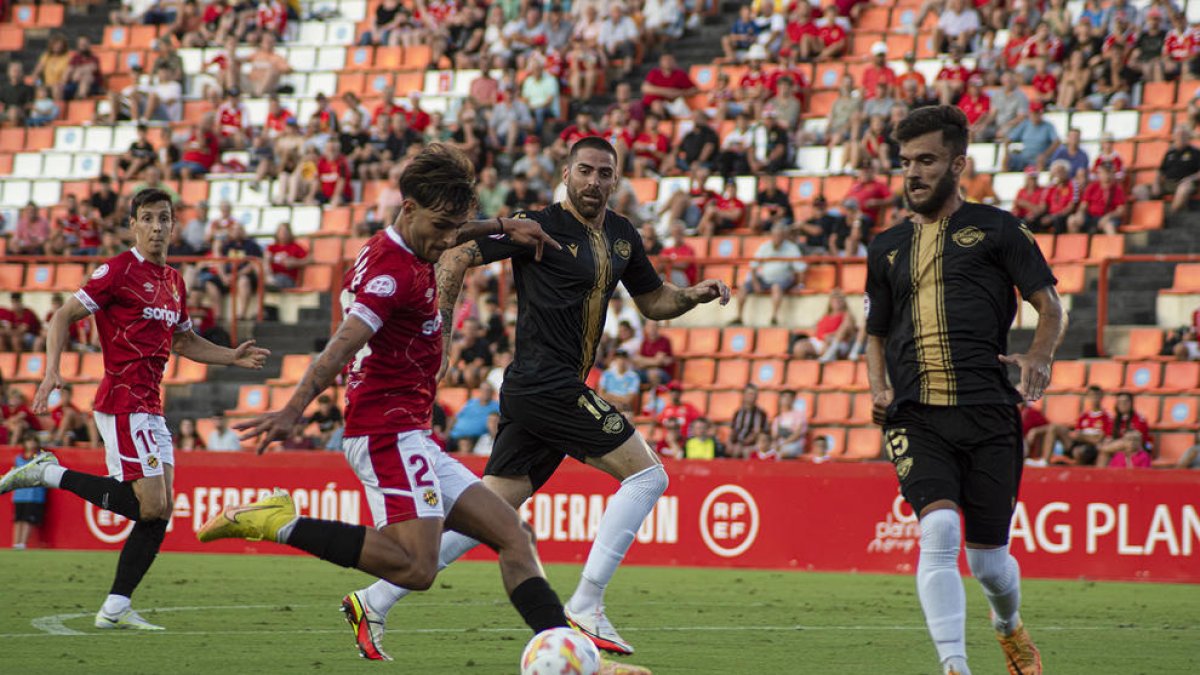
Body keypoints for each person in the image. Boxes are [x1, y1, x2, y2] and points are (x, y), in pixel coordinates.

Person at [196, 145, 648, 672]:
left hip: (412, 431)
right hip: (383, 432)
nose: (447, 239)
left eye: (454, 225)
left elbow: (454, 232)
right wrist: (294, 408)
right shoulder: (393, 274)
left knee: (514, 535)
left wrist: (501, 224)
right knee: (417, 567)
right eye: (441, 227)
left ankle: (575, 660)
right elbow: (341, 344)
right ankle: (279, 523)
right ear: (408, 209)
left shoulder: (411, 240)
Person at [422, 136, 730, 655]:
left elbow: (653, 301)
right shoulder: (535, 225)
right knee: (648, 474)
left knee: (494, 509)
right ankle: (586, 605)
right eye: (584, 170)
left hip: (540, 390)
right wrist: (442, 341)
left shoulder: (622, 235)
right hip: (549, 384)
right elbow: (453, 257)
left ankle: (376, 597)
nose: (593, 181)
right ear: (566, 174)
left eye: (604, 173)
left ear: (616, 179)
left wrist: (691, 297)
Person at [0, 188, 270, 631]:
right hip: (123, 399)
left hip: (151, 404)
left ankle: (115, 608)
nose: (158, 227)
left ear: (173, 224)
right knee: (151, 504)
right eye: (148, 218)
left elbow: (183, 342)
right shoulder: (117, 271)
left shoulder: (175, 281)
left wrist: (231, 357)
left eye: (165, 218)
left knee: (159, 512)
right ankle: (48, 472)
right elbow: (63, 316)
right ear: (133, 225)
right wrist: (51, 371)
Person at [866, 106, 1065, 675]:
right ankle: (954, 665)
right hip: (915, 416)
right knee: (940, 527)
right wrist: (878, 388)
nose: (913, 174)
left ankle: (1008, 626)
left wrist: (1039, 354)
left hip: (988, 414)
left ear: (958, 164)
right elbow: (875, 332)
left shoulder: (1000, 229)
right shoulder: (885, 247)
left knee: (991, 566)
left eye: (926, 161)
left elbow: (1050, 307)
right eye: (906, 162)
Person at [732, 222, 805, 326]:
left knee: (776, 287)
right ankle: (738, 317)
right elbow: (753, 267)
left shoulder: (791, 248)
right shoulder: (765, 247)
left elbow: (800, 269)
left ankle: (774, 318)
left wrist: (800, 285)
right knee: (743, 287)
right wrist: (755, 282)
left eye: (780, 235)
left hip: (783, 280)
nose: (777, 238)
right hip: (764, 278)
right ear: (771, 235)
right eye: (775, 235)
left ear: (784, 236)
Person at [10, 434, 48, 550]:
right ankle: (16, 543)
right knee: (18, 519)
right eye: (28, 441)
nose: (31, 444)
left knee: (28, 519)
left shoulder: (41, 457)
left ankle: (22, 543)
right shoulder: (18, 458)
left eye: (33, 441)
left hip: (34, 494)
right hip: (19, 494)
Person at [1097, 392, 1153, 468]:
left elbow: (1135, 441)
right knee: (1103, 454)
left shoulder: (1139, 420)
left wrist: (1105, 447)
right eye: (1119, 402)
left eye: (1126, 401)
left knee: (1108, 449)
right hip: (1118, 450)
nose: (1122, 404)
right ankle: (1100, 478)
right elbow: (1108, 438)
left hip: (1136, 450)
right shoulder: (1114, 420)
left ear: (1131, 403)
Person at [447, 382, 500, 454]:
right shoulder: (471, 402)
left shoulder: (496, 406)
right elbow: (456, 417)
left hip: (475, 439)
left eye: (488, 390)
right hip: (454, 436)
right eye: (483, 390)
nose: (485, 392)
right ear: (479, 391)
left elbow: (496, 422)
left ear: (492, 393)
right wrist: (446, 432)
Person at [728, 384, 768, 458]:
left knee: (746, 451)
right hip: (738, 443)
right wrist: (730, 443)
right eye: (750, 394)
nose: (752, 396)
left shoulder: (761, 414)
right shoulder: (738, 412)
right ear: (744, 395)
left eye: (754, 394)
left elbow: (758, 433)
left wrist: (743, 443)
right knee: (732, 450)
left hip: (753, 444)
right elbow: (733, 430)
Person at [599, 350, 641, 414]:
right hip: (608, 406)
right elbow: (601, 395)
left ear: (627, 360)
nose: (621, 361)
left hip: (624, 408)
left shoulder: (633, 377)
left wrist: (610, 396)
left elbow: (628, 400)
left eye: (623, 358)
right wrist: (620, 399)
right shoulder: (607, 374)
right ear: (615, 360)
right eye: (619, 358)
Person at [771, 389, 808, 459]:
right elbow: (774, 435)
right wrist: (776, 443)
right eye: (785, 397)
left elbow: (797, 434)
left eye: (789, 398)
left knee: (783, 453)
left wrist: (784, 443)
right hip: (780, 444)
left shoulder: (799, 415)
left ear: (793, 400)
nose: (787, 400)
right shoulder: (778, 418)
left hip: (794, 444)